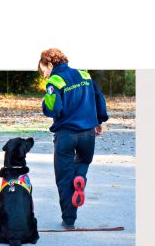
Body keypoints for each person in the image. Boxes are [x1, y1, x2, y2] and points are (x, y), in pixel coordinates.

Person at [39, 48, 109, 229]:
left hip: (66, 134)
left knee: (64, 179)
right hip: (88, 133)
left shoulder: (55, 80)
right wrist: (99, 120)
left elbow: (53, 109)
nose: (44, 74)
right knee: (83, 162)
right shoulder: (84, 75)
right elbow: (98, 98)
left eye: (43, 69)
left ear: (50, 63)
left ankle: (69, 221)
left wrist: (45, 100)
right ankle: (80, 179)